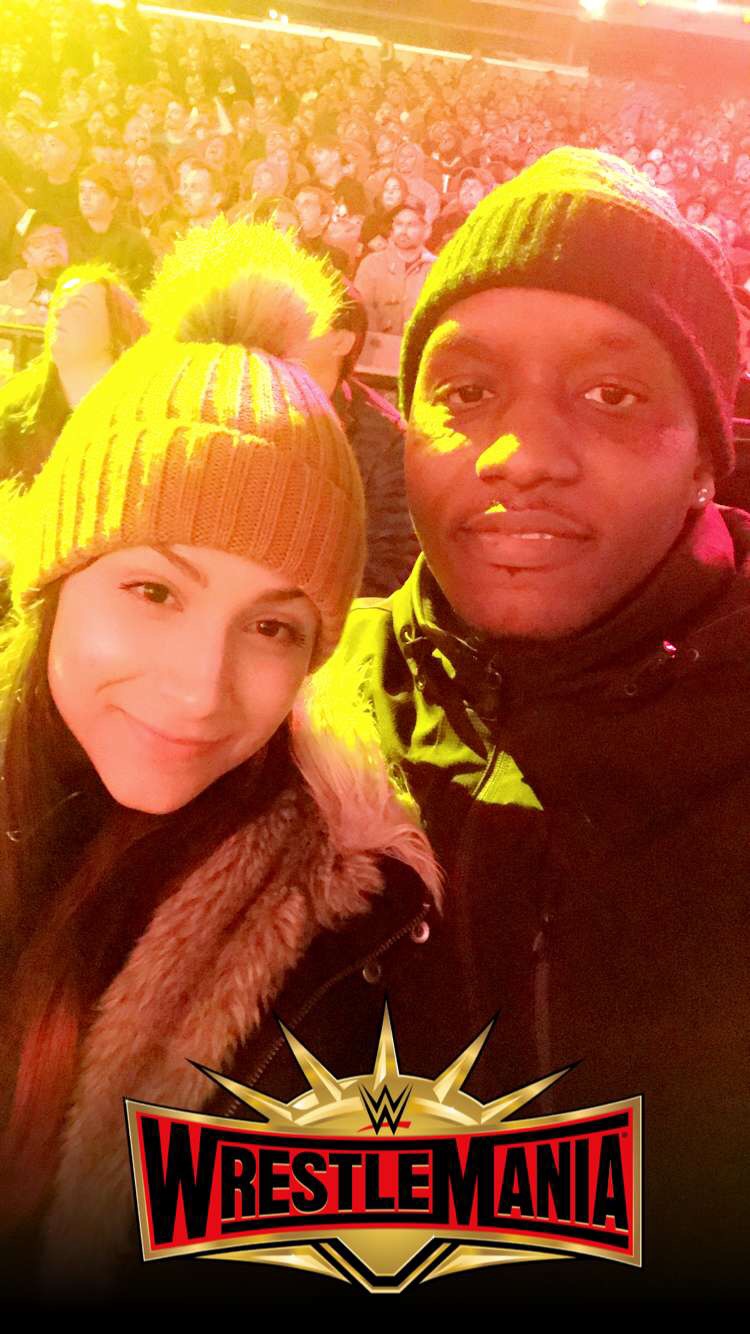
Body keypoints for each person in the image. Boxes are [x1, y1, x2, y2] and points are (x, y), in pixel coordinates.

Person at [227, 149, 749, 1309]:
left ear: (706, 454)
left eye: (612, 395)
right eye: (465, 393)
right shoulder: (283, 703)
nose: (521, 457)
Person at [0, 281, 438, 1307]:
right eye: (154, 590)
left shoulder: (337, 941)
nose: (201, 690)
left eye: (273, 627)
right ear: (55, 583)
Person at [143, 219, 418, 598]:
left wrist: (298, 614)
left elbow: (390, 563)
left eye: (305, 320)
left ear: (343, 340)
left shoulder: (384, 439)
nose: (285, 334)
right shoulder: (215, 403)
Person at [0, 261, 147, 486]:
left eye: (78, 306)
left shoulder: (139, 422)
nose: (58, 311)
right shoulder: (12, 414)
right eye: (58, 303)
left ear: (115, 330)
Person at [354, 197, 435, 335]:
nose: (403, 230)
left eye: (411, 225)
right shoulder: (372, 264)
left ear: (426, 230)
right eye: (399, 224)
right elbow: (362, 311)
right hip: (377, 344)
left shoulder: (437, 268)